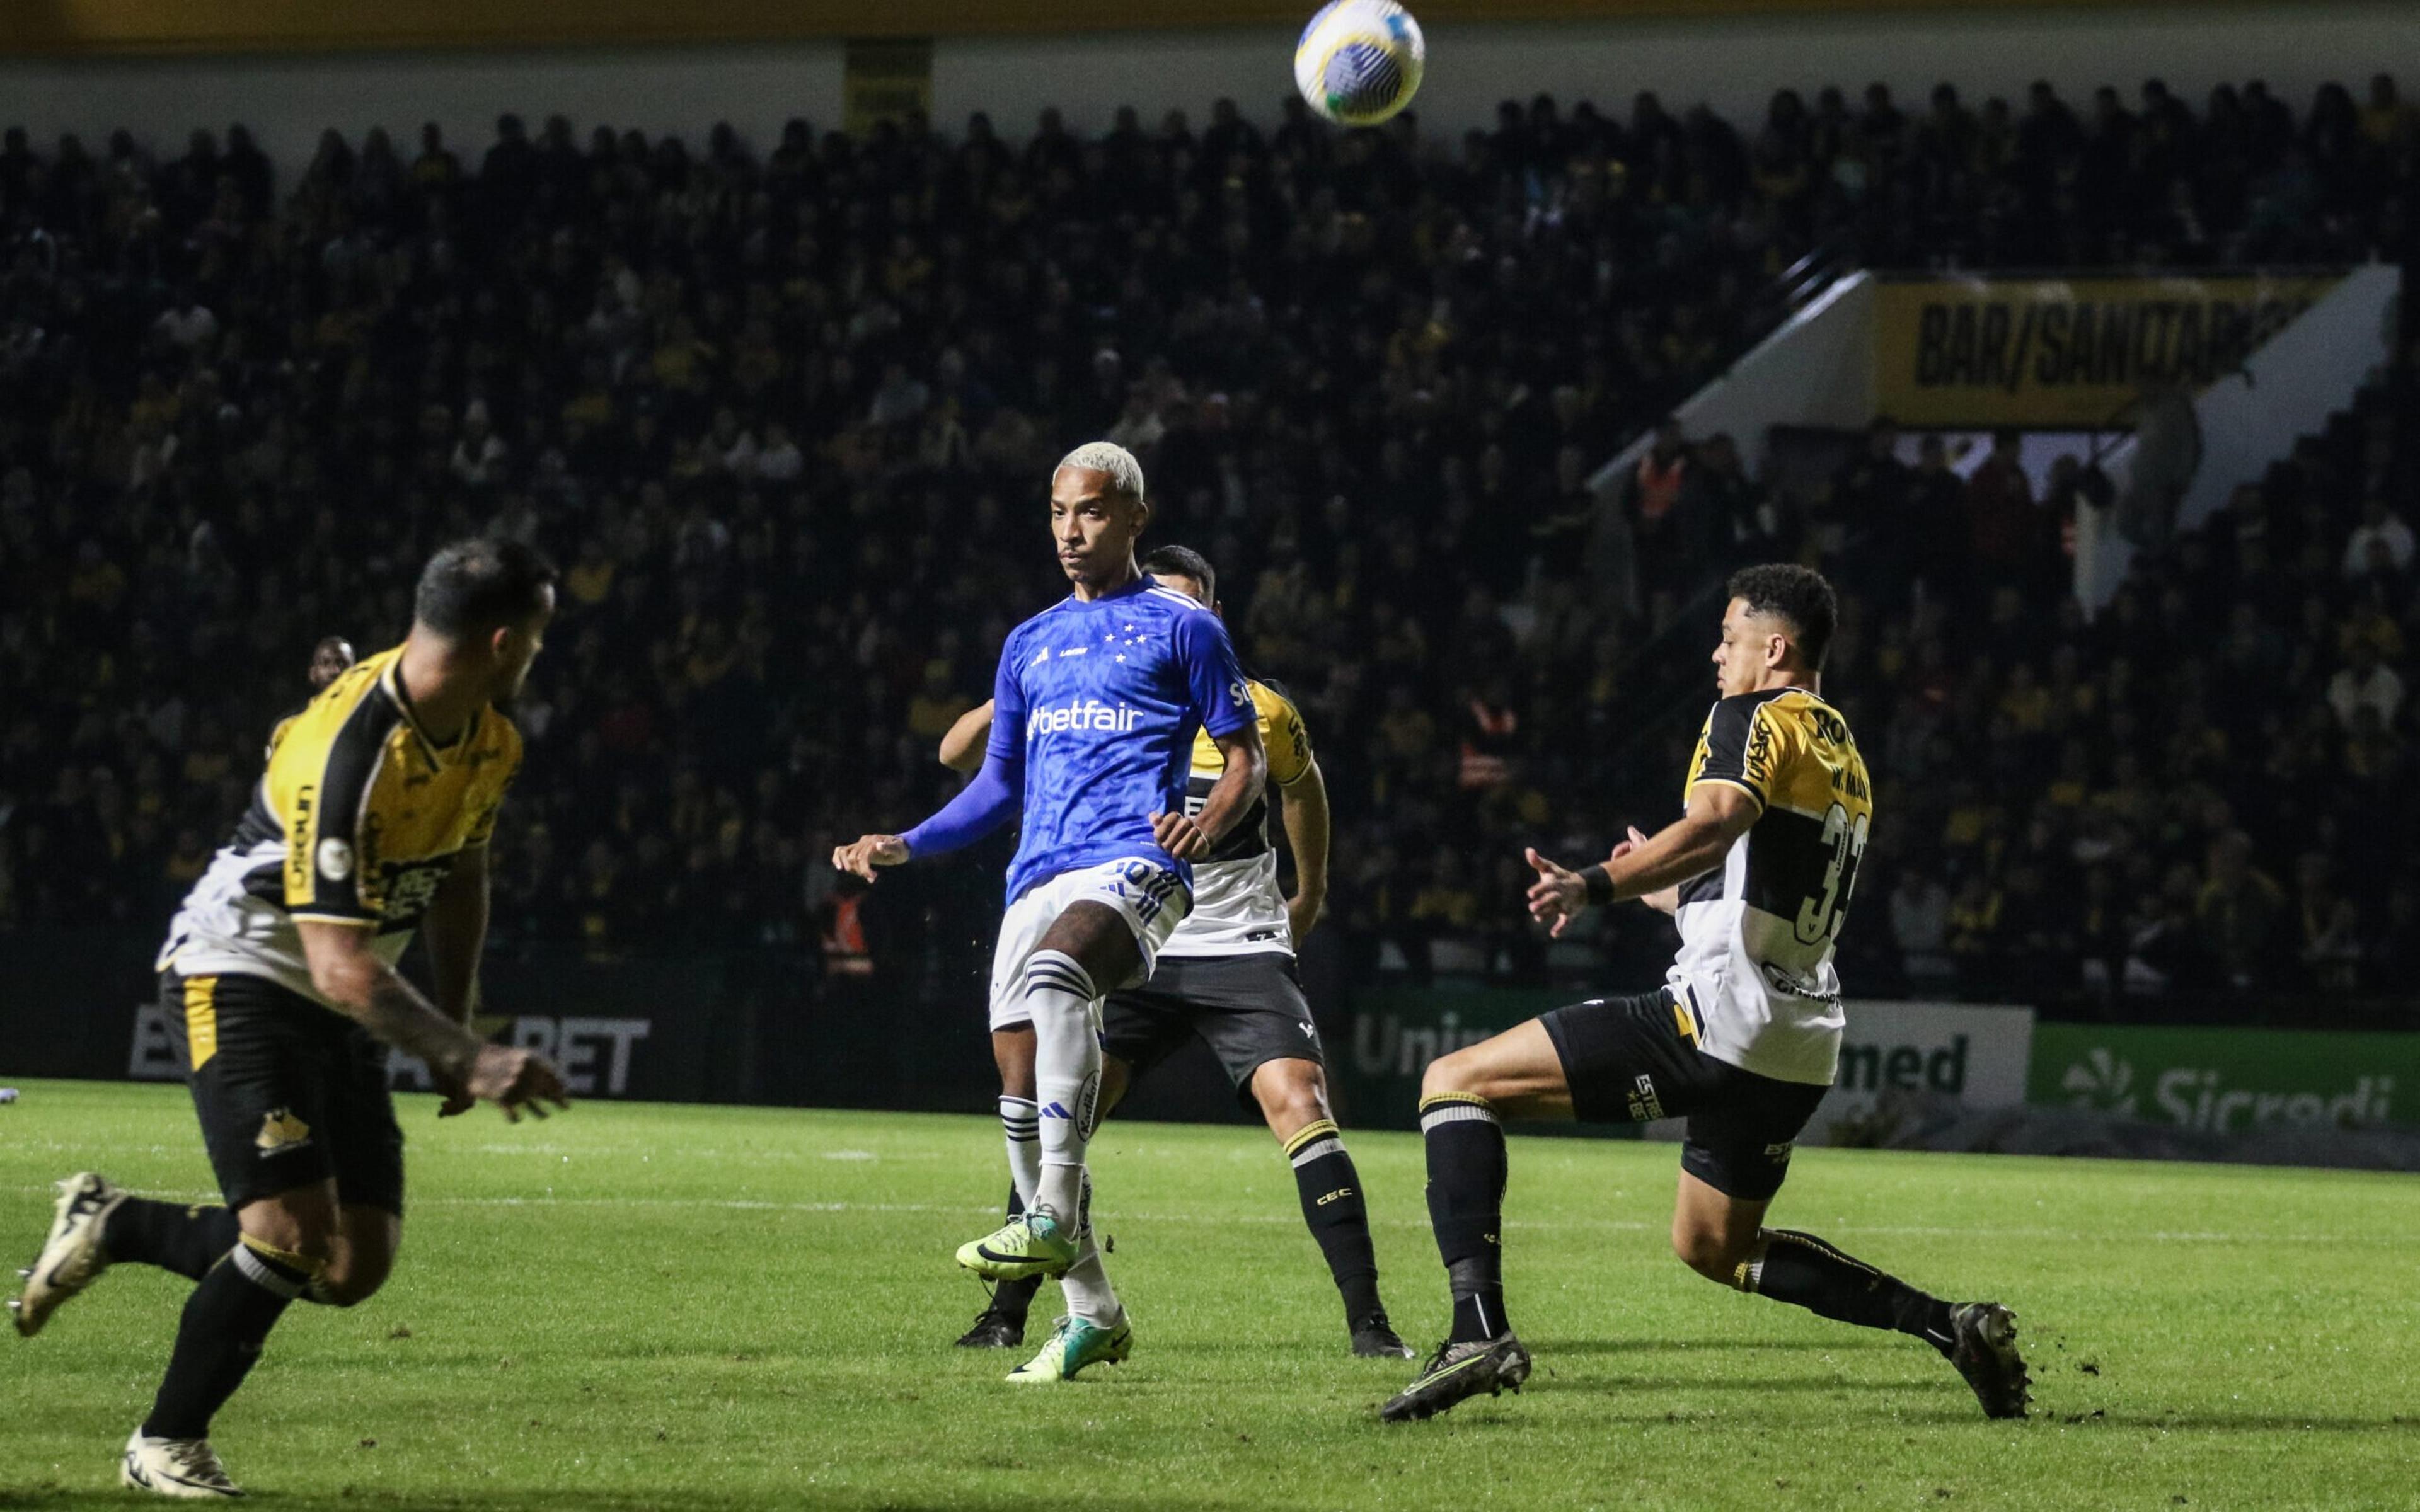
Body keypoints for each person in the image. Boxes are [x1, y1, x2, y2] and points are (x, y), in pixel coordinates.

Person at [1378, 564, 2030, 1424]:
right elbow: (1760, 878)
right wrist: (1668, 889)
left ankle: (1477, 1333)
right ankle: (1951, 1327)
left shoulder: (1751, 716)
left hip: (1715, 1020)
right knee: (1712, 1245)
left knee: (1456, 1083)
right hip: (1797, 1042)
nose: (1717, 656)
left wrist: (1596, 884)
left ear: (1776, 646)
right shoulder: (1842, 749)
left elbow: (1716, 820)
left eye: (1728, 639)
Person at [11, 539, 570, 1498]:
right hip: (244, 973)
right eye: (541, 642)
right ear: (506, 641)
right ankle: (164, 1444)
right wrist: (469, 1058)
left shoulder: (488, 739)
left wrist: (457, 1020)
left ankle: (121, 1224)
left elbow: (461, 876)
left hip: (348, 997)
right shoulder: (353, 750)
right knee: (289, 1236)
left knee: (352, 1267)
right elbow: (338, 963)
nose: (540, 661)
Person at [832, 444, 1266, 1384]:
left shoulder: (1182, 626)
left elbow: (1245, 758)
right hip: (1035, 875)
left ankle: (1053, 1214)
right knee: (1022, 1094)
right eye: (1061, 514)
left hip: (1136, 864)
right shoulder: (1028, 643)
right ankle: (1092, 1313)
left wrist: (1204, 824)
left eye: (1094, 513)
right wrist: (906, 842)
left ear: (1135, 518)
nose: (1073, 532)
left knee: (1061, 974)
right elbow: (997, 785)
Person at [940, 545, 1409, 1360]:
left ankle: (1370, 1325)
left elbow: (1303, 785)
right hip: (1136, 938)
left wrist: (1312, 889)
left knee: (1302, 1103)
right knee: (1066, 1112)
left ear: (1212, 623)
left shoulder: (1258, 710)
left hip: (1239, 942)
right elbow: (956, 756)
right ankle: (1005, 1315)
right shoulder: (1098, 697)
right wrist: (1035, 675)